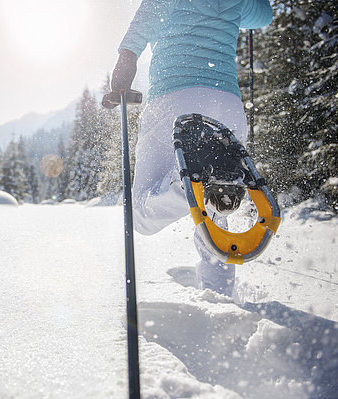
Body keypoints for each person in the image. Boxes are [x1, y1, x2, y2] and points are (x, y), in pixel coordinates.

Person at [103, 0, 273, 295]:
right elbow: (263, 15)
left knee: (139, 215)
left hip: (175, 99)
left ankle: (189, 184)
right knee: (215, 215)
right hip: (228, 107)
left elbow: (144, 22)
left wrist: (125, 61)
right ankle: (219, 297)